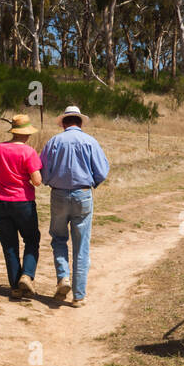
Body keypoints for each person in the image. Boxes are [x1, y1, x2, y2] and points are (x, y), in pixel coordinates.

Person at [40, 105, 110, 307]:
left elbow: (42, 169)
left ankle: (63, 278)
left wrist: (50, 181)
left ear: (63, 123)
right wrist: (92, 183)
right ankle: (79, 295)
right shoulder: (90, 142)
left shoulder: (54, 141)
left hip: (59, 195)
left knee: (59, 238)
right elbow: (102, 171)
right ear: (80, 122)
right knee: (81, 246)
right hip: (83, 194)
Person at [0, 114, 43, 301]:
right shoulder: (29, 152)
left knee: (9, 245)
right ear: (26, 134)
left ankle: (15, 287)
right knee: (32, 239)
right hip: (23, 201)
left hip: (1, 201)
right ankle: (26, 275)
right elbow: (37, 181)